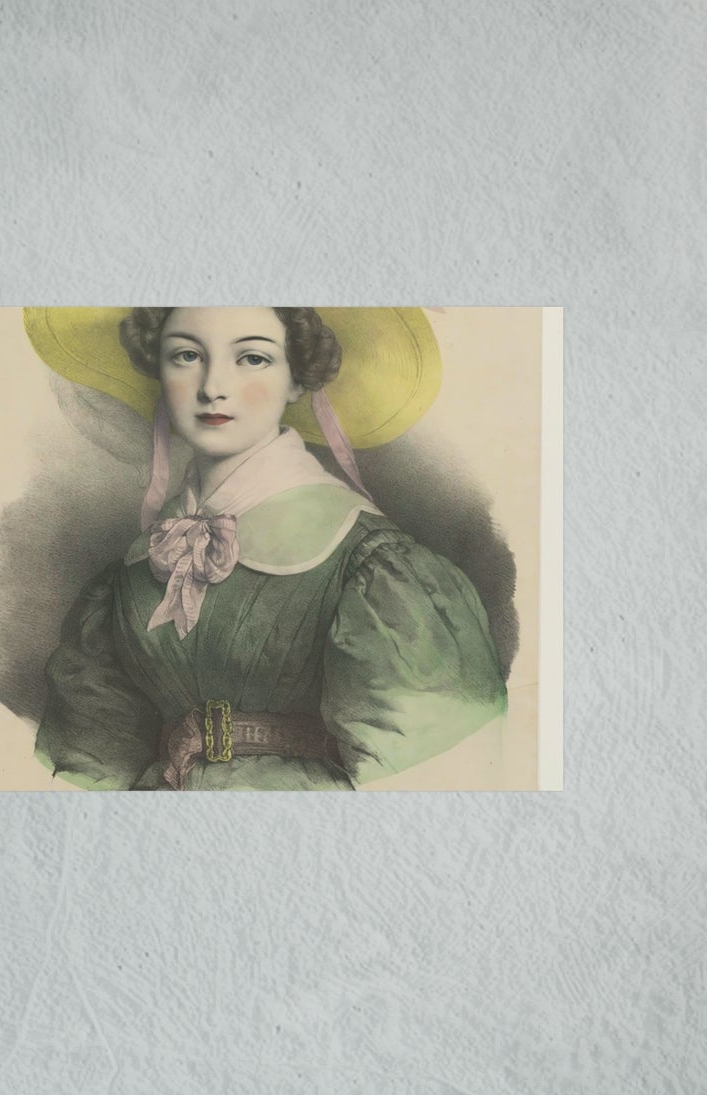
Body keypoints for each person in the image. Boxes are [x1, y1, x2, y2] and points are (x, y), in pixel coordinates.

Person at [25, 306, 508, 791]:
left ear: (297, 378)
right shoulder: (132, 573)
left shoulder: (374, 565)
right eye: (187, 355)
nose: (213, 386)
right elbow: (88, 767)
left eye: (252, 358)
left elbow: (431, 782)